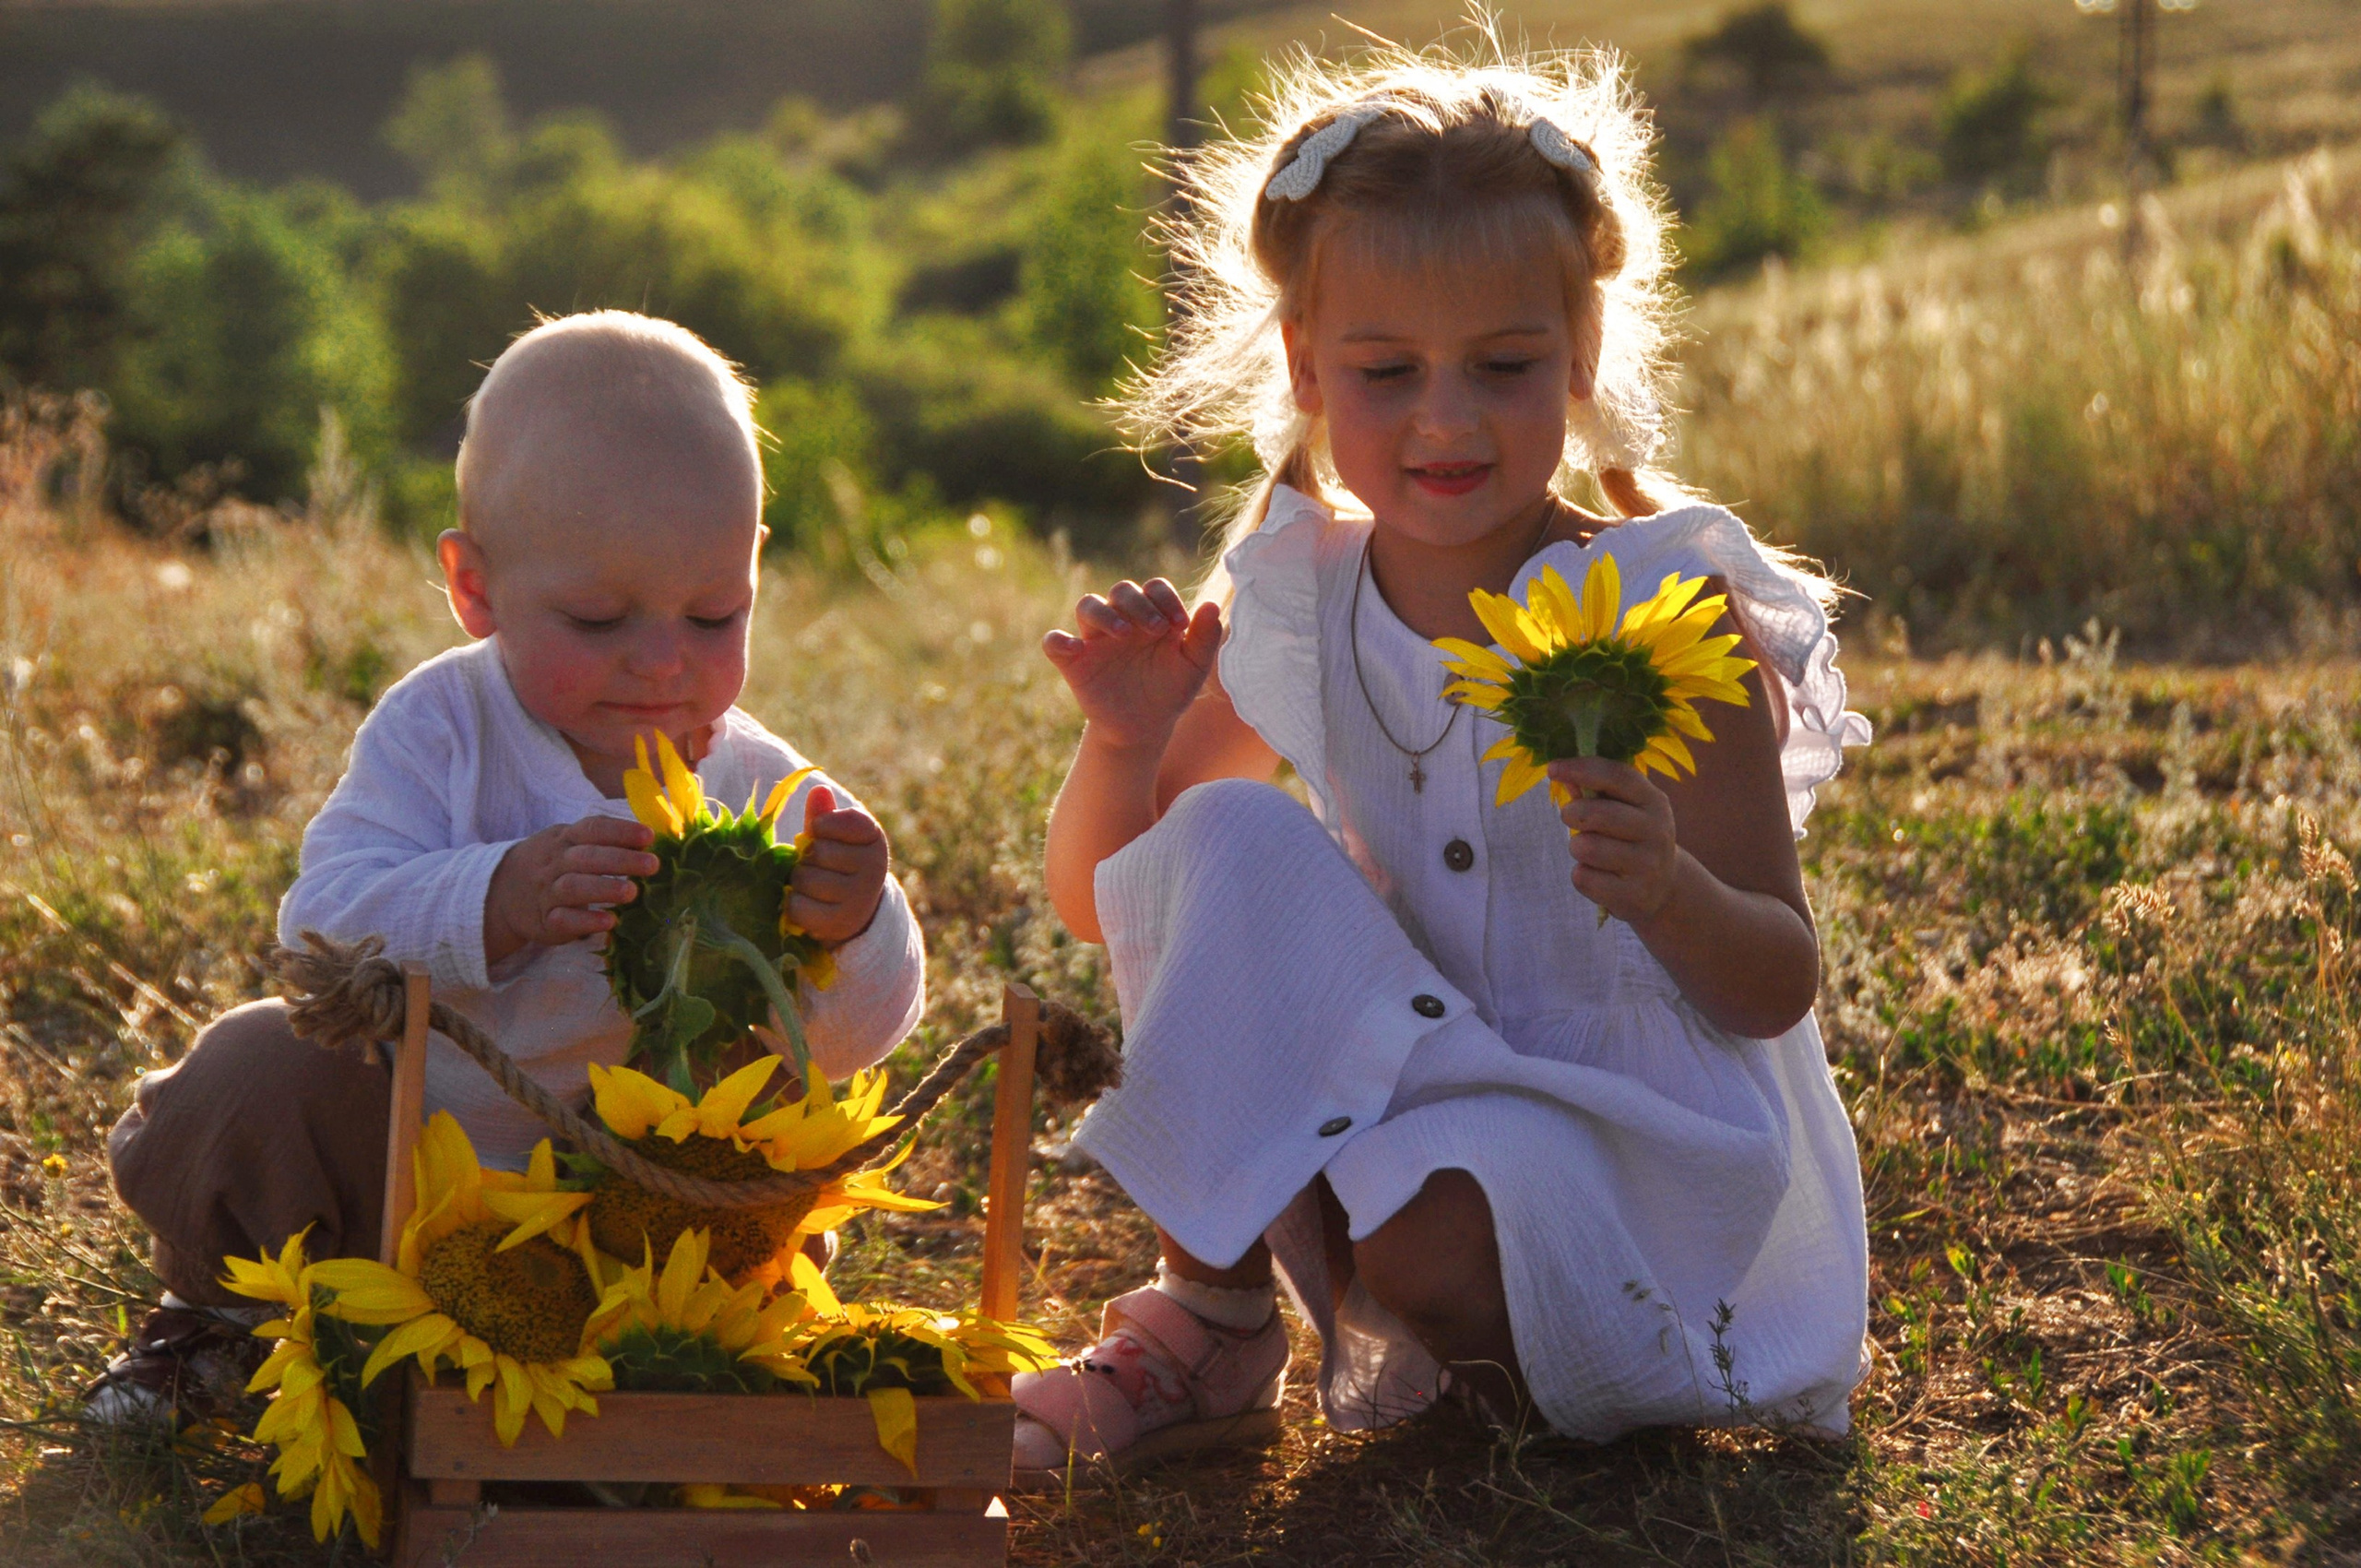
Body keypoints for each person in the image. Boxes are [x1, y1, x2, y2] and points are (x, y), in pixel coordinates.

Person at [1014, 42, 1873, 1475]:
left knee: (1427, 1231)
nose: (1446, 420)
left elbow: (1776, 978)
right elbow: (1127, 902)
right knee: (1227, 836)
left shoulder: (1659, 614)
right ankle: (1210, 1320)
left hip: (1632, 1145)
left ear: (1582, 354)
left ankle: (1600, 1371)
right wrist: (1126, 741)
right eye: (1387, 370)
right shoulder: (1303, 588)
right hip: (1408, 1084)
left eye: (1505, 365)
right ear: (1305, 367)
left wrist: (1667, 887)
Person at [92, 310, 926, 1421]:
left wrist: (853, 925)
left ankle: (658, 1389)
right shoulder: (442, 729)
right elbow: (319, 925)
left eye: (714, 612)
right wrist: (492, 897)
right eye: (596, 618)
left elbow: (855, 1045)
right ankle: (220, 1321)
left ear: (755, 571)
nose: (664, 659)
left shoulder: (765, 787)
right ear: (474, 587)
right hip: (398, 1182)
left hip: (639, 1225)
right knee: (254, 1062)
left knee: (771, 1112)